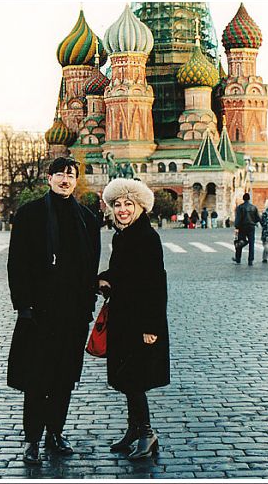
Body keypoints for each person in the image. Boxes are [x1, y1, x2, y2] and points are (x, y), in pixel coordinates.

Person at [7, 157, 101, 466]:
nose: (64, 179)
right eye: (59, 173)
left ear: (76, 181)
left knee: (63, 379)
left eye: (70, 175)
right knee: (36, 379)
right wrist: (23, 306)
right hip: (38, 314)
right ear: (49, 178)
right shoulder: (30, 215)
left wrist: (87, 306)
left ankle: (55, 434)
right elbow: (17, 265)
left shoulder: (87, 219)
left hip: (72, 315)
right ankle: (32, 439)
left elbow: (91, 267)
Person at [98, 178, 170, 460]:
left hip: (140, 321)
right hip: (123, 319)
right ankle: (133, 430)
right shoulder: (123, 235)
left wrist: (150, 327)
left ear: (140, 207)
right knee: (126, 379)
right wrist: (103, 279)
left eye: (128, 204)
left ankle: (147, 434)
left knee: (136, 379)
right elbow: (121, 272)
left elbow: (155, 284)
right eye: (117, 205)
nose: (122, 209)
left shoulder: (146, 237)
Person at [234, 192, 261, 266]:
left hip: (242, 227)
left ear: (243, 199)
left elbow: (238, 218)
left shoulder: (240, 207)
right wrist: (254, 222)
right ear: (249, 199)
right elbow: (258, 218)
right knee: (251, 243)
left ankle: (238, 258)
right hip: (251, 227)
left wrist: (236, 226)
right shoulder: (253, 207)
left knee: (240, 242)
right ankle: (250, 260)